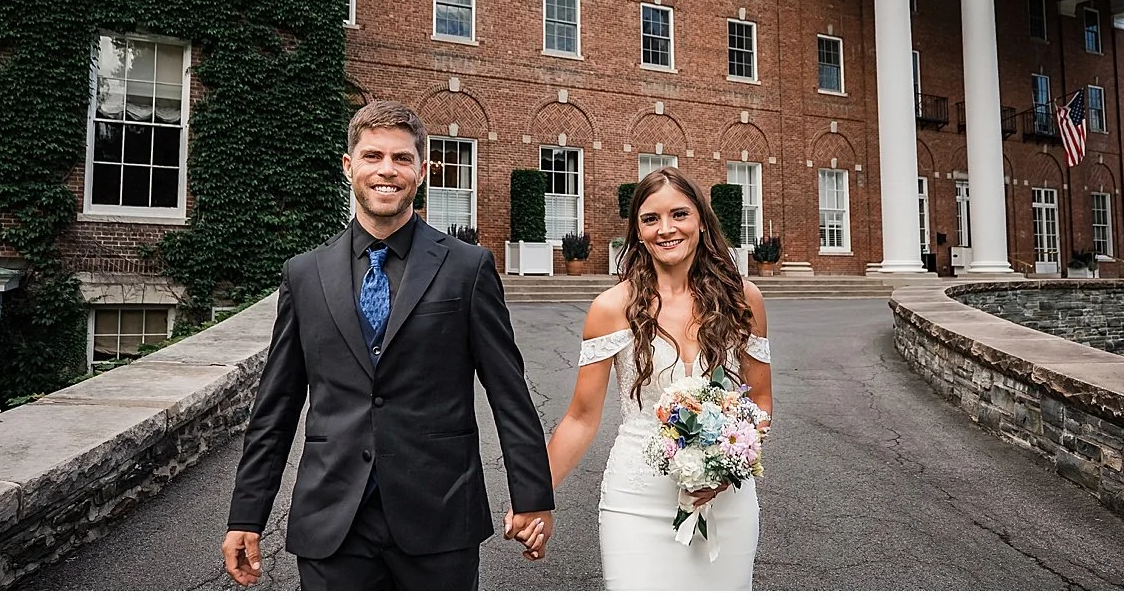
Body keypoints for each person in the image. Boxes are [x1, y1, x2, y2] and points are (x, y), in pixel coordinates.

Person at [222, 100, 554, 590]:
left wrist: (532, 496)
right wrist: (247, 514)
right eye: (373, 155)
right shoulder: (304, 274)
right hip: (332, 520)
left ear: (422, 170)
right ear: (349, 165)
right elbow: (276, 406)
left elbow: (509, 392)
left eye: (402, 158)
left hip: (439, 516)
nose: (387, 170)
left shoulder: (468, 268)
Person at [513, 168, 771, 590]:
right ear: (637, 229)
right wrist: (534, 498)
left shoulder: (743, 300)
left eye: (679, 214)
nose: (666, 229)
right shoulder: (611, 308)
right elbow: (580, 418)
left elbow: (759, 400)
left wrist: (733, 464)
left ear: (701, 220)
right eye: (650, 219)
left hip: (727, 502)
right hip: (637, 498)